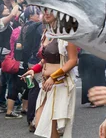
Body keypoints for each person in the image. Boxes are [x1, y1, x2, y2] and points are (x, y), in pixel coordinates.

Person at [22, 9, 78, 138]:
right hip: (46, 85)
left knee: (52, 129)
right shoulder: (47, 32)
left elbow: (73, 60)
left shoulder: (67, 32)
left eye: (51, 10)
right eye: (45, 10)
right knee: (41, 123)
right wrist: (34, 69)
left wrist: (53, 77)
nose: (47, 13)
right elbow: (45, 59)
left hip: (60, 84)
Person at [19, 6, 43, 130]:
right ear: (31, 15)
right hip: (38, 61)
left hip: (30, 61)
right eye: (37, 13)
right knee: (38, 90)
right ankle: (34, 119)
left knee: (32, 88)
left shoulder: (25, 27)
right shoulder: (39, 27)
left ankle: (31, 118)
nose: (40, 15)